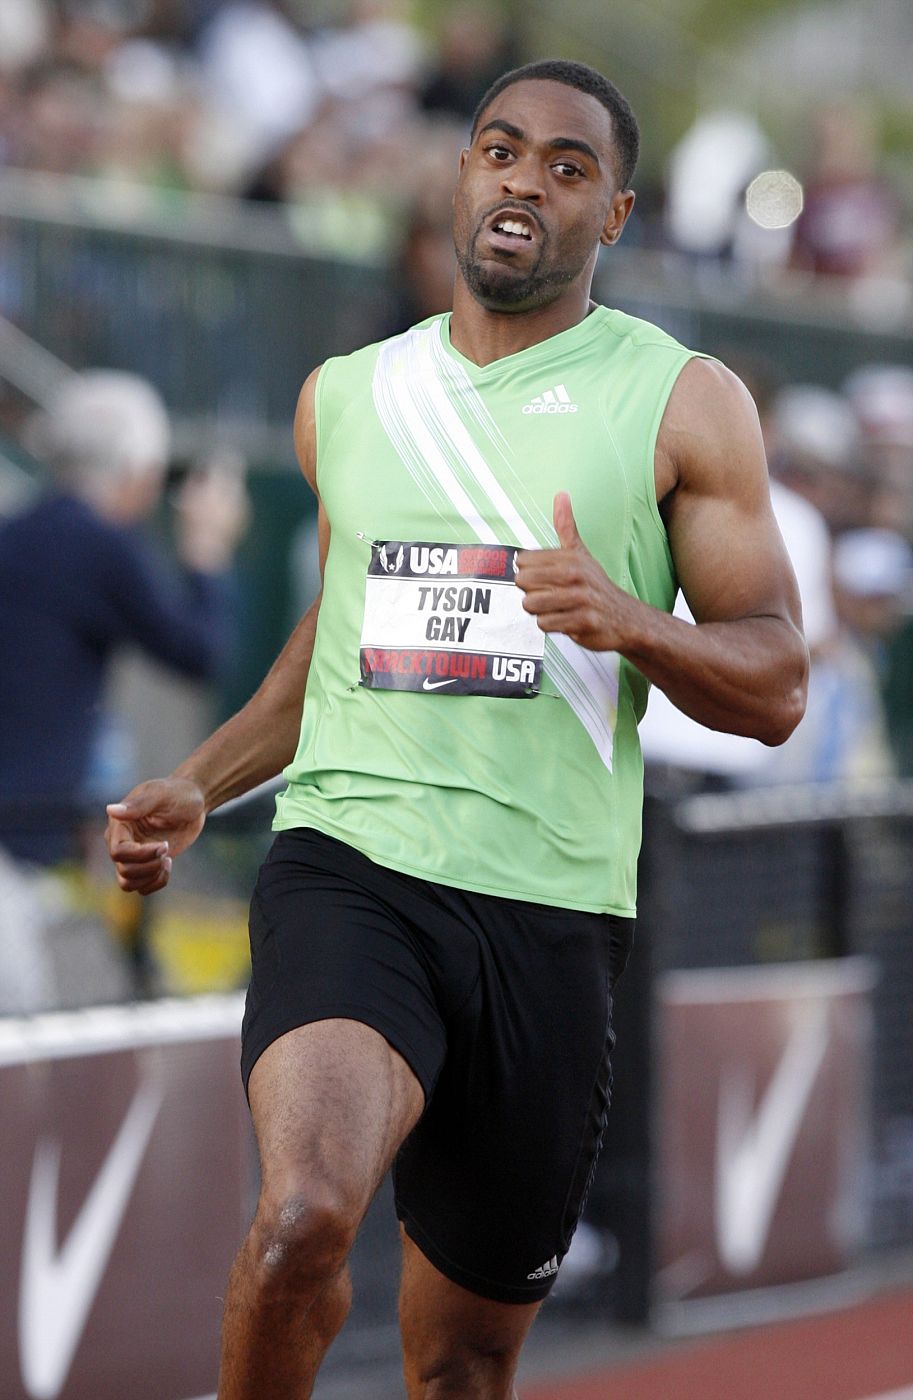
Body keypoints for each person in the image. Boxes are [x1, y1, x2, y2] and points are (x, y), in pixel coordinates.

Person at [106, 59, 807, 1400]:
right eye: (501, 150)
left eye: (565, 167)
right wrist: (202, 782)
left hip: (551, 911)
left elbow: (775, 686)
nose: (522, 182)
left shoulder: (681, 401)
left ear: (615, 214)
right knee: (305, 1216)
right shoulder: (349, 397)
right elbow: (329, 638)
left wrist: (631, 622)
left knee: (464, 1365)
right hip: (353, 865)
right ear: (456, 177)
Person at [0, 369, 246, 867]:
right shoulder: (99, 546)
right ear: (136, 468)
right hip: (18, 835)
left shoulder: (21, 532)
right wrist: (208, 550)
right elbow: (199, 651)